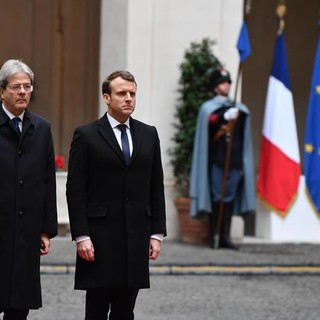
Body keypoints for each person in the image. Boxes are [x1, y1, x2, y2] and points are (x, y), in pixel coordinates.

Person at [66, 70, 167, 320]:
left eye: (132, 93)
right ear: (106, 98)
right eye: (122, 93)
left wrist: (156, 234)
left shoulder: (148, 134)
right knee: (97, 311)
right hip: (99, 239)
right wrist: (81, 236)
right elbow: (75, 189)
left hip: (136, 236)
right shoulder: (86, 135)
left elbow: (156, 185)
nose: (129, 98)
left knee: (125, 311)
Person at [0, 59, 58, 319]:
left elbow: (48, 180)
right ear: (2, 91)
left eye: (27, 86)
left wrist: (46, 229)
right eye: (16, 87)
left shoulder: (42, 129)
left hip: (27, 231)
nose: (23, 92)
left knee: (19, 305)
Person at [189, 67, 255, 250]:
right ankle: (214, 234)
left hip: (233, 161)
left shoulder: (239, 109)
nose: (226, 86)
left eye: (227, 83)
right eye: (222, 82)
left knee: (230, 198)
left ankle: (225, 235)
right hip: (217, 160)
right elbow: (211, 120)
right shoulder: (209, 109)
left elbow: (242, 131)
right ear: (215, 87)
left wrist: (235, 116)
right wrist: (223, 117)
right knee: (217, 196)